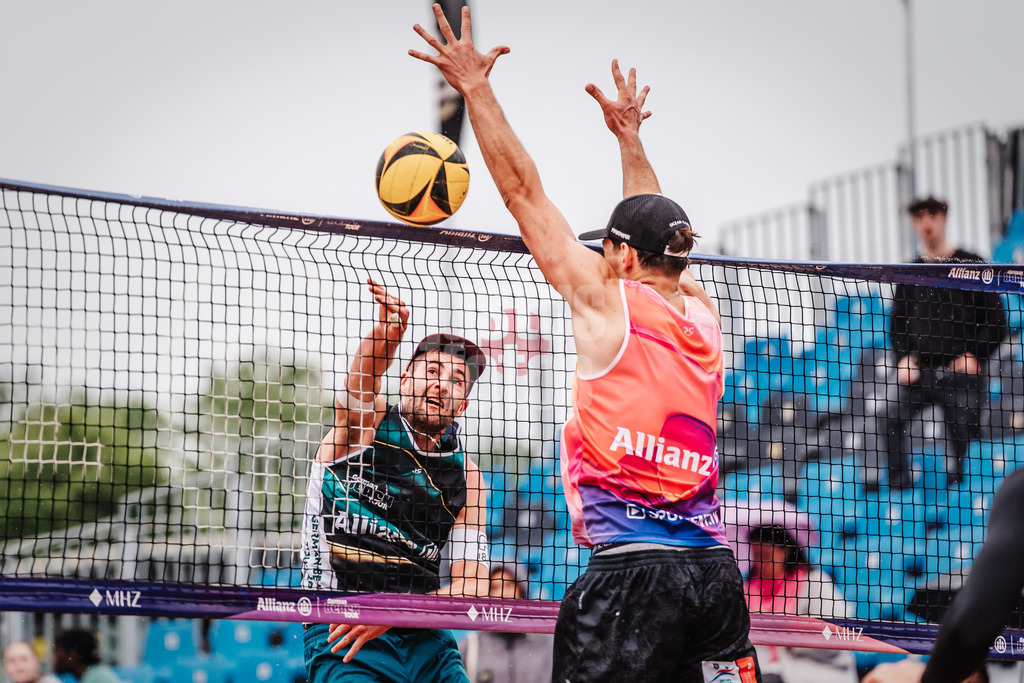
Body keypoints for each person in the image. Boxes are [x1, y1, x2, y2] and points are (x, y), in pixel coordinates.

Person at [411, 7, 760, 681]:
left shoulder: (607, 303)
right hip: (713, 575)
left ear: (622, 257)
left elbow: (522, 193)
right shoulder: (703, 312)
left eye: (608, 248)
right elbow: (655, 223)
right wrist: (630, 140)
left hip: (631, 575)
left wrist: (476, 89)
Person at [301, 279, 491, 681]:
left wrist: (396, 611)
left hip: (426, 635)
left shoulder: (467, 477)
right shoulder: (366, 428)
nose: (442, 383)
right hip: (343, 626)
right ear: (404, 379)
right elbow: (360, 382)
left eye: (457, 380)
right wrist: (386, 337)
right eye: (433, 371)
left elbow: (472, 587)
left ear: (463, 404)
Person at [877, 195, 1006, 489]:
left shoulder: (970, 264)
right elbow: (897, 326)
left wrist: (975, 355)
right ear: (914, 224)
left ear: (943, 219)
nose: (926, 222)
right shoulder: (910, 273)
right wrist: (904, 358)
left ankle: (962, 495)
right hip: (921, 374)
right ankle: (900, 494)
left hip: (962, 376)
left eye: (932, 215)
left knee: (964, 434)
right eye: (919, 216)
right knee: (888, 418)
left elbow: (996, 321)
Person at [744, 524, 857, 683]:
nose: (760, 563)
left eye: (766, 555)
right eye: (756, 555)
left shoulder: (815, 582)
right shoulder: (748, 590)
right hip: (765, 670)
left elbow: (836, 635)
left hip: (818, 670)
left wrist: (788, 636)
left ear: (786, 551)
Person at [458, 562, 555, 683]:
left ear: (522, 591)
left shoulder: (549, 645)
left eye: (509, 585)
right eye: (495, 587)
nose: (502, 594)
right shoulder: (471, 646)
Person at [51, 630, 121, 683]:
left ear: (72, 655)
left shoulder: (97, 678)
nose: (53, 658)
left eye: (56, 652)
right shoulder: (94, 675)